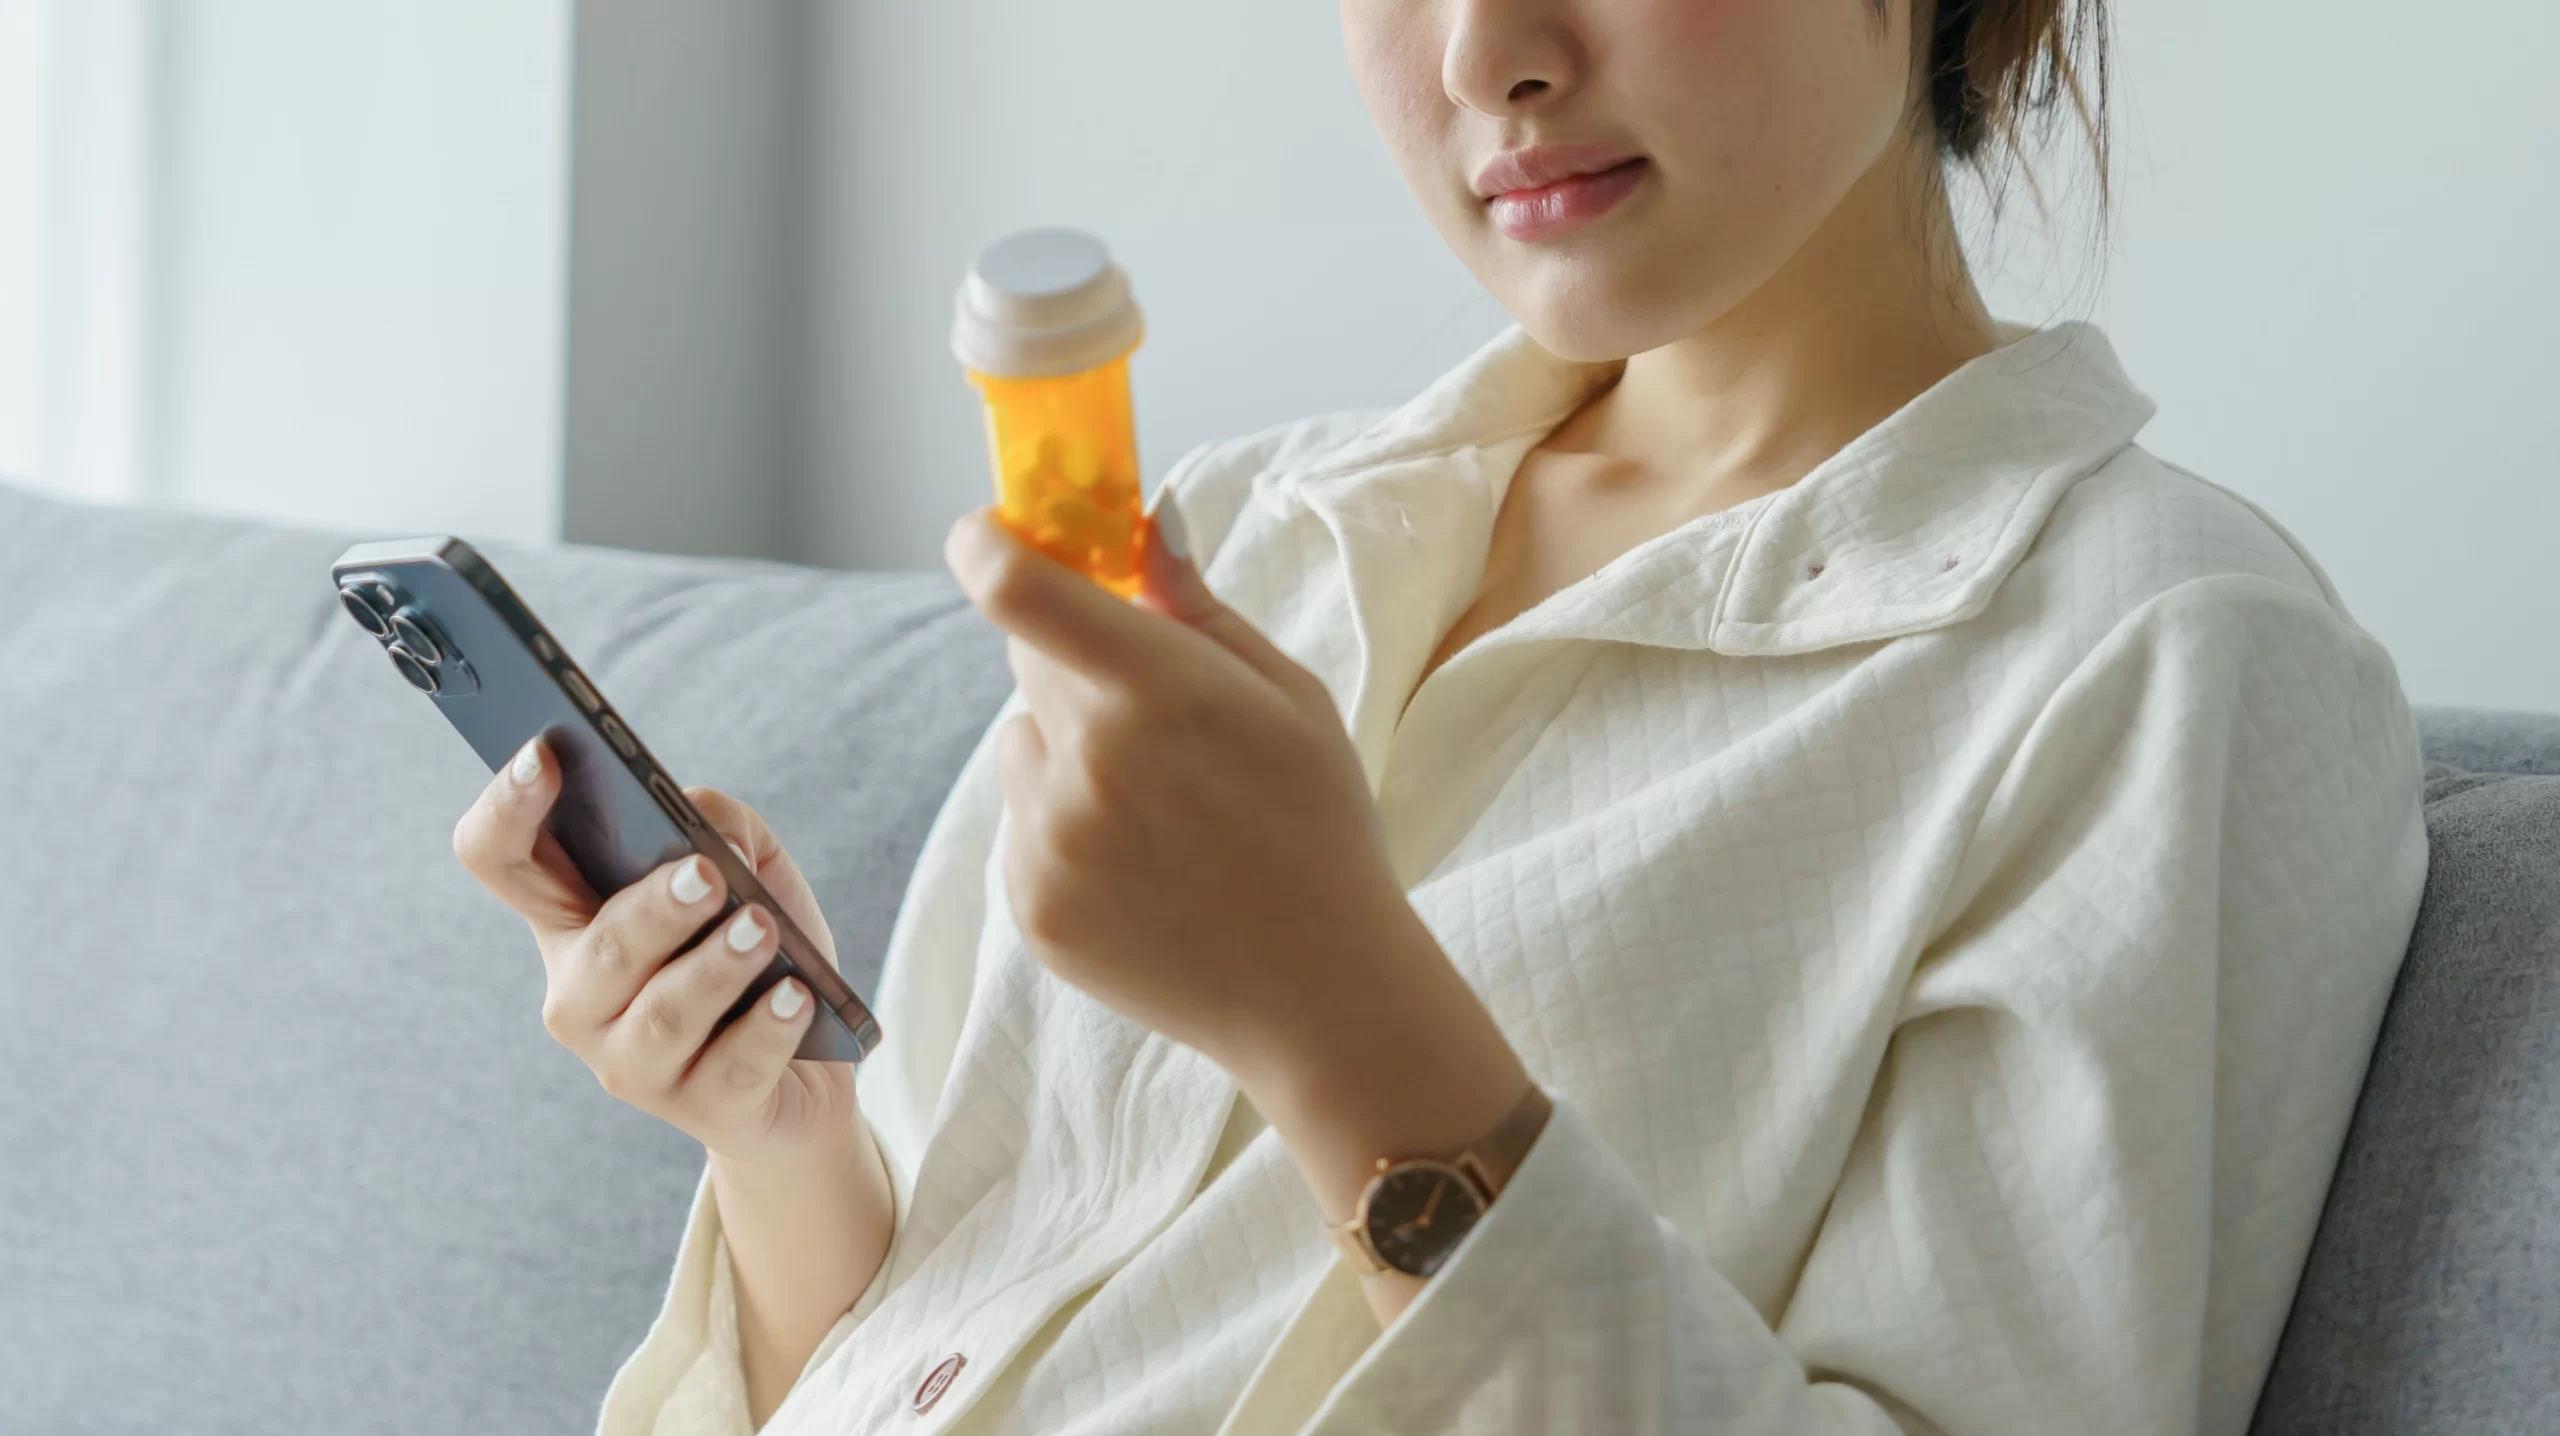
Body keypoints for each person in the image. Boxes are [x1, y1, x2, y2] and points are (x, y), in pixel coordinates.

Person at [453, 1, 2429, 1431]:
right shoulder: (1239, 541)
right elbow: (907, 1353)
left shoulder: (2159, 667)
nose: (1483, 46)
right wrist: (780, 1138)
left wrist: (1337, 1014)